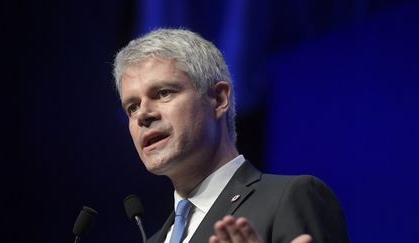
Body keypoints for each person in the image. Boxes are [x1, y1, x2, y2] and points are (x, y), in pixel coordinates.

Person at [113, 28, 349, 243]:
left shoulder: (290, 198)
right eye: (132, 107)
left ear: (219, 99)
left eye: (163, 93)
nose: (142, 114)